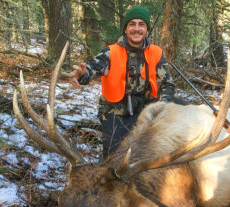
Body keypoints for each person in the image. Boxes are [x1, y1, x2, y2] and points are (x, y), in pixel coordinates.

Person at [71, 6, 177, 158]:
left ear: (147, 29)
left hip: (146, 113)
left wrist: (163, 106)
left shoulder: (156, 53)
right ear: (126, 29)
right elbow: (93, 67)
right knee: (114, 161)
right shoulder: (110, 52)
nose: (136, 29)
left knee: (148, 157)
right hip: (115, 113)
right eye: (132, 24)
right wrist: (82, 74)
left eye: (141, 24)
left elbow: (167, 84)